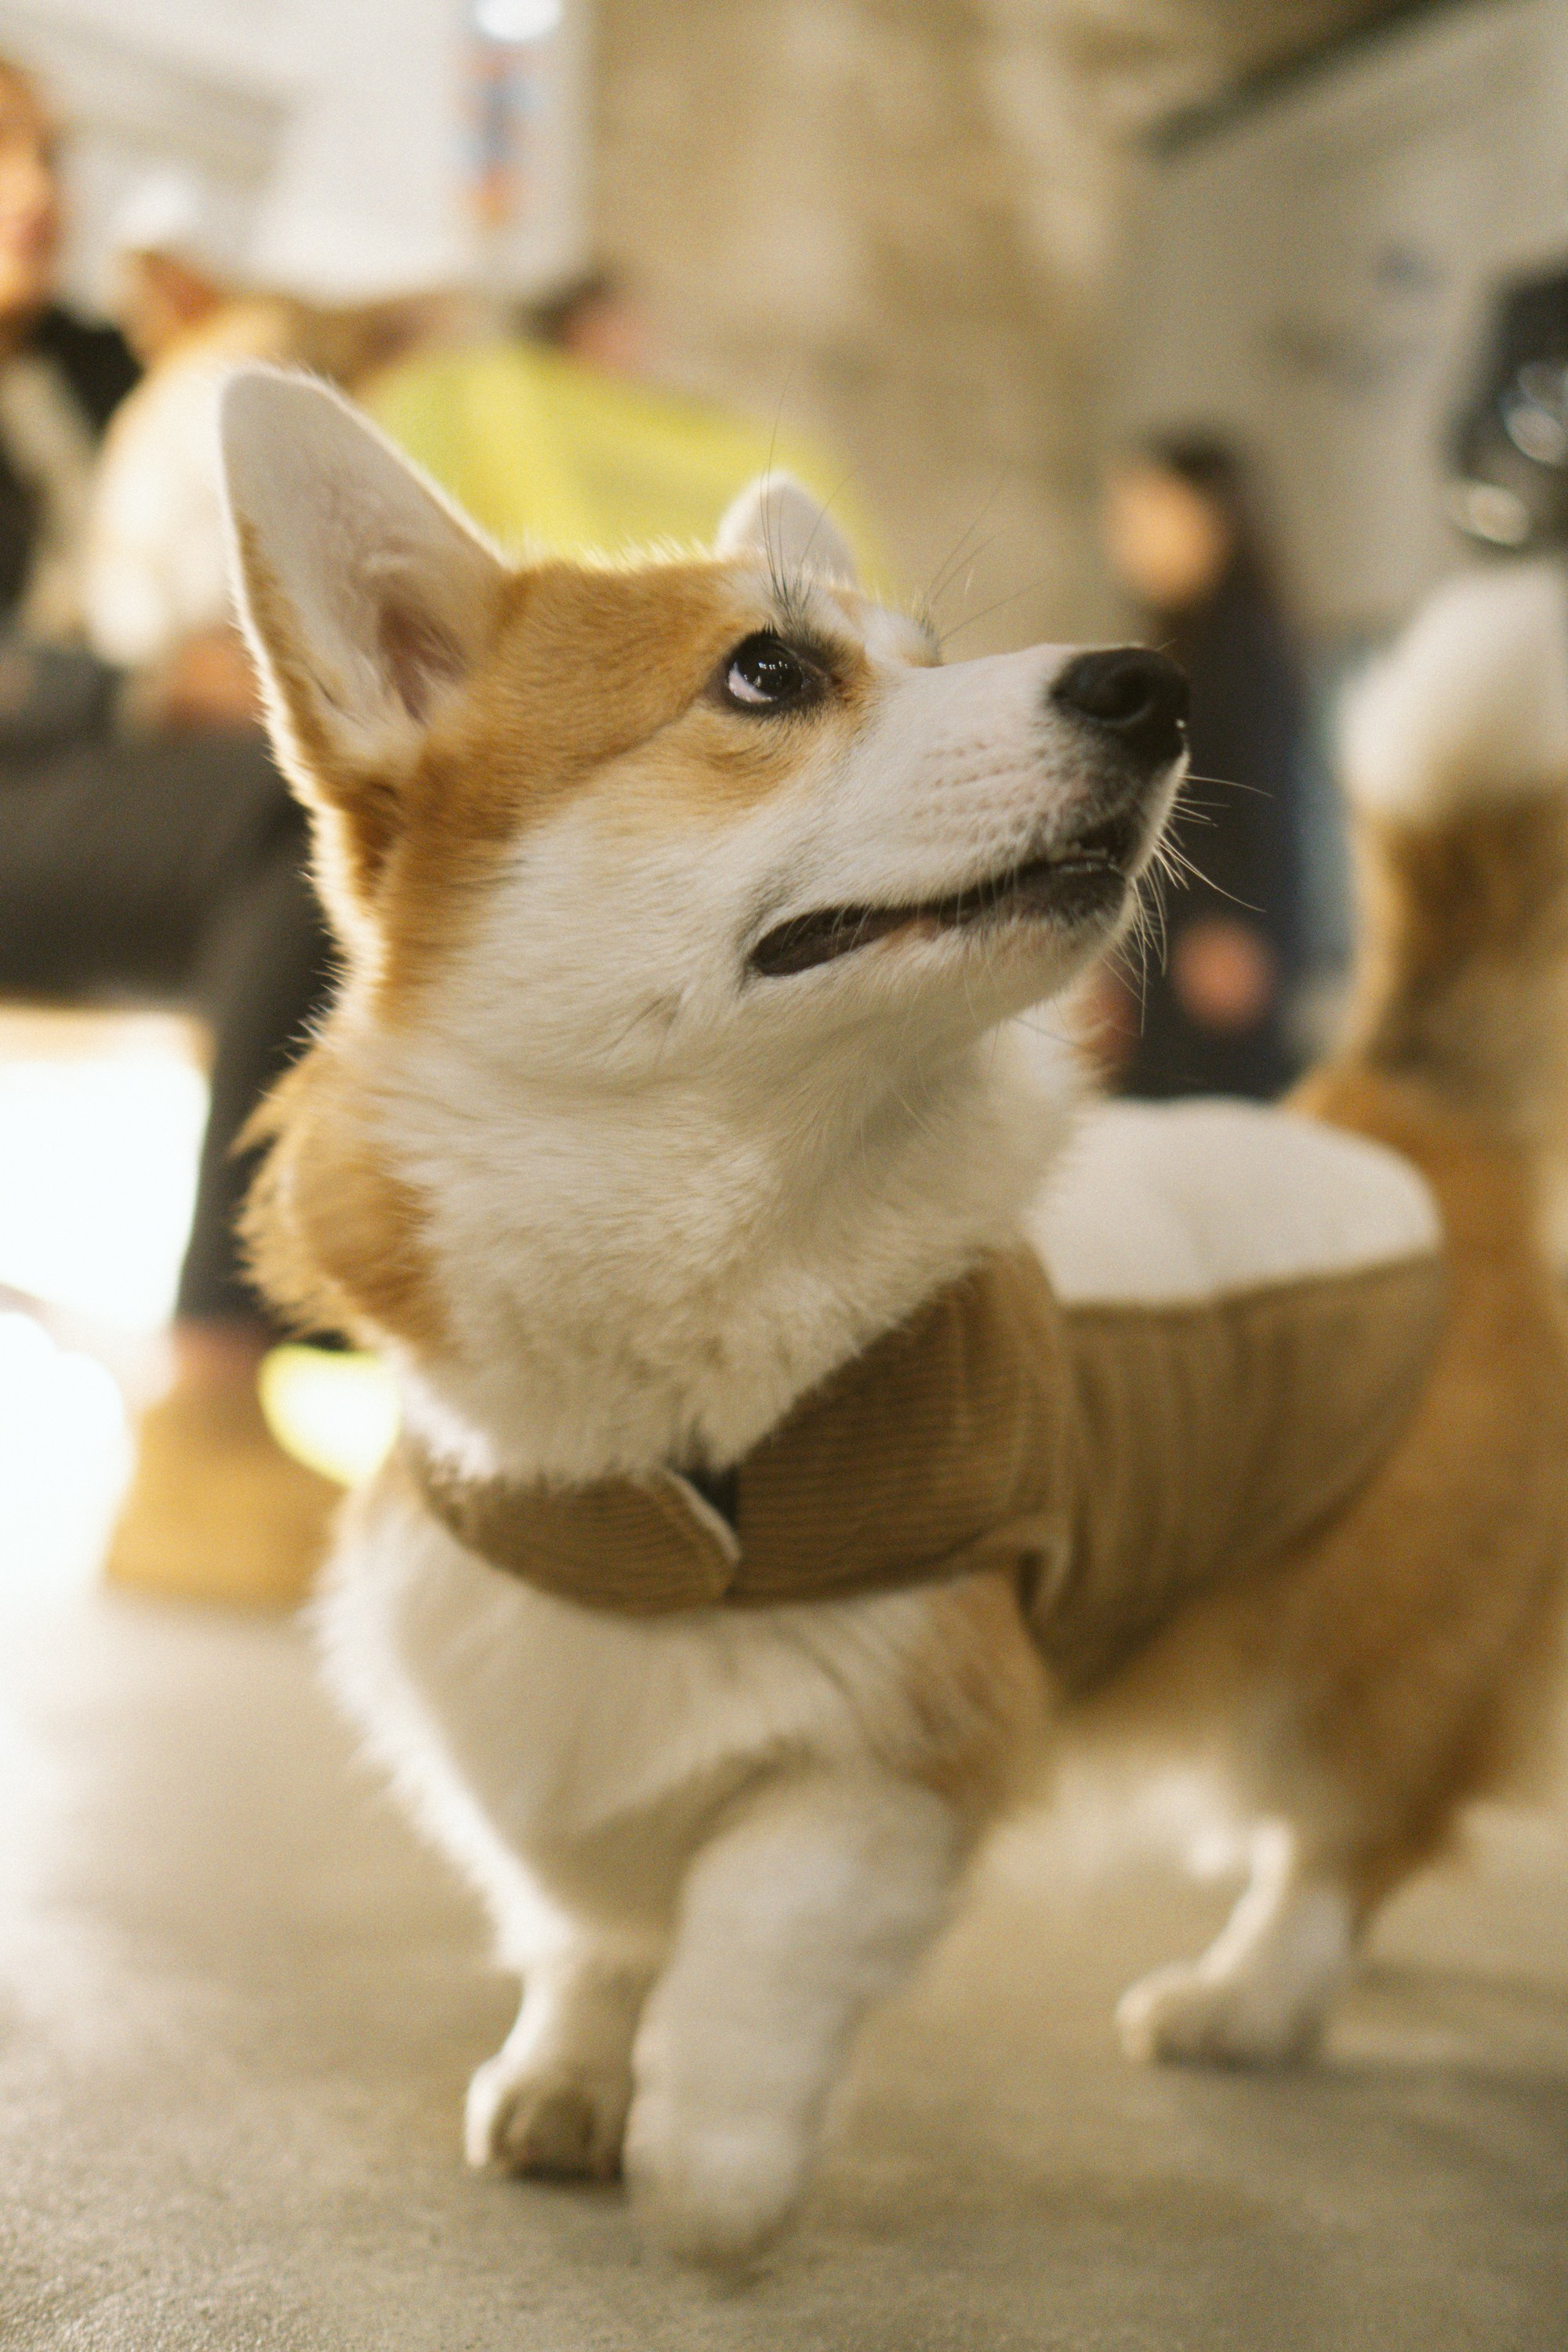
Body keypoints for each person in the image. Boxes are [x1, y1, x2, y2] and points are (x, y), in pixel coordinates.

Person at [0, 61, 337, 1602]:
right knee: (285, 798)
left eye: (44, 153)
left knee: (345, 799)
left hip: (80, 796)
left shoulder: (83, 366)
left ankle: (294, 1351)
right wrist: (144, 692)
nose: (36, 191)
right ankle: (213, 1386)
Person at [1095, 435, 1307, 1100]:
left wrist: (1234, 923)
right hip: (1172, 946)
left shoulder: (1243, 649)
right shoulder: (1178, 641)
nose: (1125, 538)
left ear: (1210, 517)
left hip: (1218, 948)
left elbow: (1260, 805)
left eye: (1147, 513)